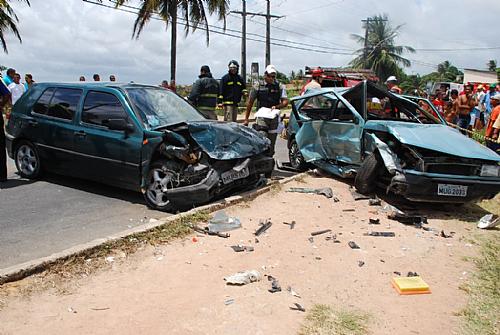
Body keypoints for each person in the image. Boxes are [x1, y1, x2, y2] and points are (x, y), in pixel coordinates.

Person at [245, 64, 288, 157]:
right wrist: (246, 118)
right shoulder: (257, 86)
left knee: (271, 143)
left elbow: (285, 102)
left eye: (273, 76)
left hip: (274, 116)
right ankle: (259, 159)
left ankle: (269, 161)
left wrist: (277, 106)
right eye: (270, 76)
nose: (272, 78)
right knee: (262, 138)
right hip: (262, 116)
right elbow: (250, 102)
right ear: (265, 75)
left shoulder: (279, 86)